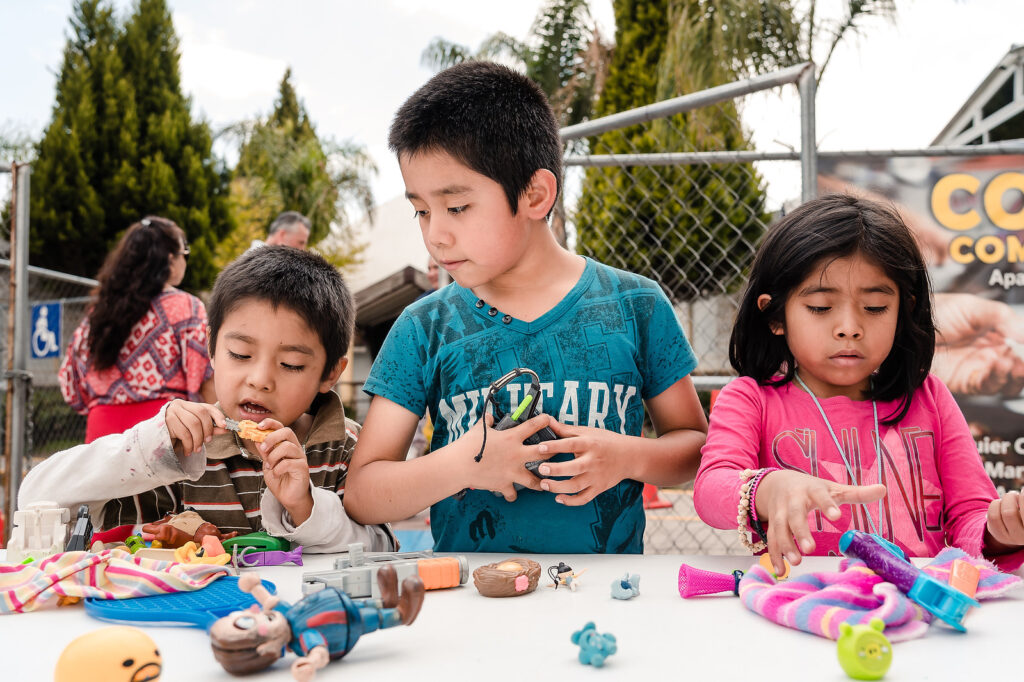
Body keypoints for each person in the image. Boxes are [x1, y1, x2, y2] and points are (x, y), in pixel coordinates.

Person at [343, 61, 708, 554]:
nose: (435, 234)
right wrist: (471, 461)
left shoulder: (635, 305)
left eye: (456, 207)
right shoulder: (424, 326)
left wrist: (626, 457)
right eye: (421, 210)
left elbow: (693, 448)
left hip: (610, 600)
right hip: (473, 599)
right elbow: (363, 494)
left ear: (535, 195)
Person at [692, 194, 1024, 574]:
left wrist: (1001, 531)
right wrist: (769, 489)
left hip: (913, 611)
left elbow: (971, 516)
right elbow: (711, 488)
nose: (849, 327)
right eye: (820, 307)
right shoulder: (752, 399)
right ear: (775, 316)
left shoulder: (929, 397)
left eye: (875, 307)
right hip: (801, 607)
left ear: (905, 310)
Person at [22, 246, 393, 552]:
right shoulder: (185, 449)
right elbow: (39, 497)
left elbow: (383, 546)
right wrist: (149, 447)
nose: (260, 379)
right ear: (211, 349)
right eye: (240, 355)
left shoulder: (346, 448)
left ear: (331, 372)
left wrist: (305, 506)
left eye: (291, 364)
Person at [59, 216, 215, 443]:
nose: (186, 261)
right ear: (170, 259)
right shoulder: (186, 307)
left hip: (102, 437)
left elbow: (70, 382)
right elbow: (203, 375)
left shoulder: (99, 312)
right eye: (185, 253)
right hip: (164, 432)